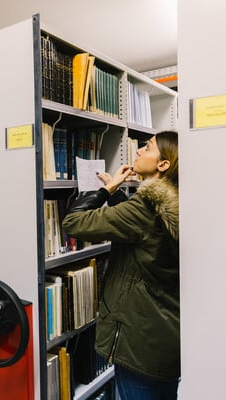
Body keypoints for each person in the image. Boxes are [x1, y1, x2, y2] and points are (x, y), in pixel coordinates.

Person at [62, 130, 179, 400]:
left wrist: (107, 189)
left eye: (147, 148)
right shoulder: (173, 204)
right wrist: (117, 201)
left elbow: (73, 223)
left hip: (139, 343)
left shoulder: (143, 211)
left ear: (163, 165)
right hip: (163, 336)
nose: (138, 151)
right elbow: (140, 233)